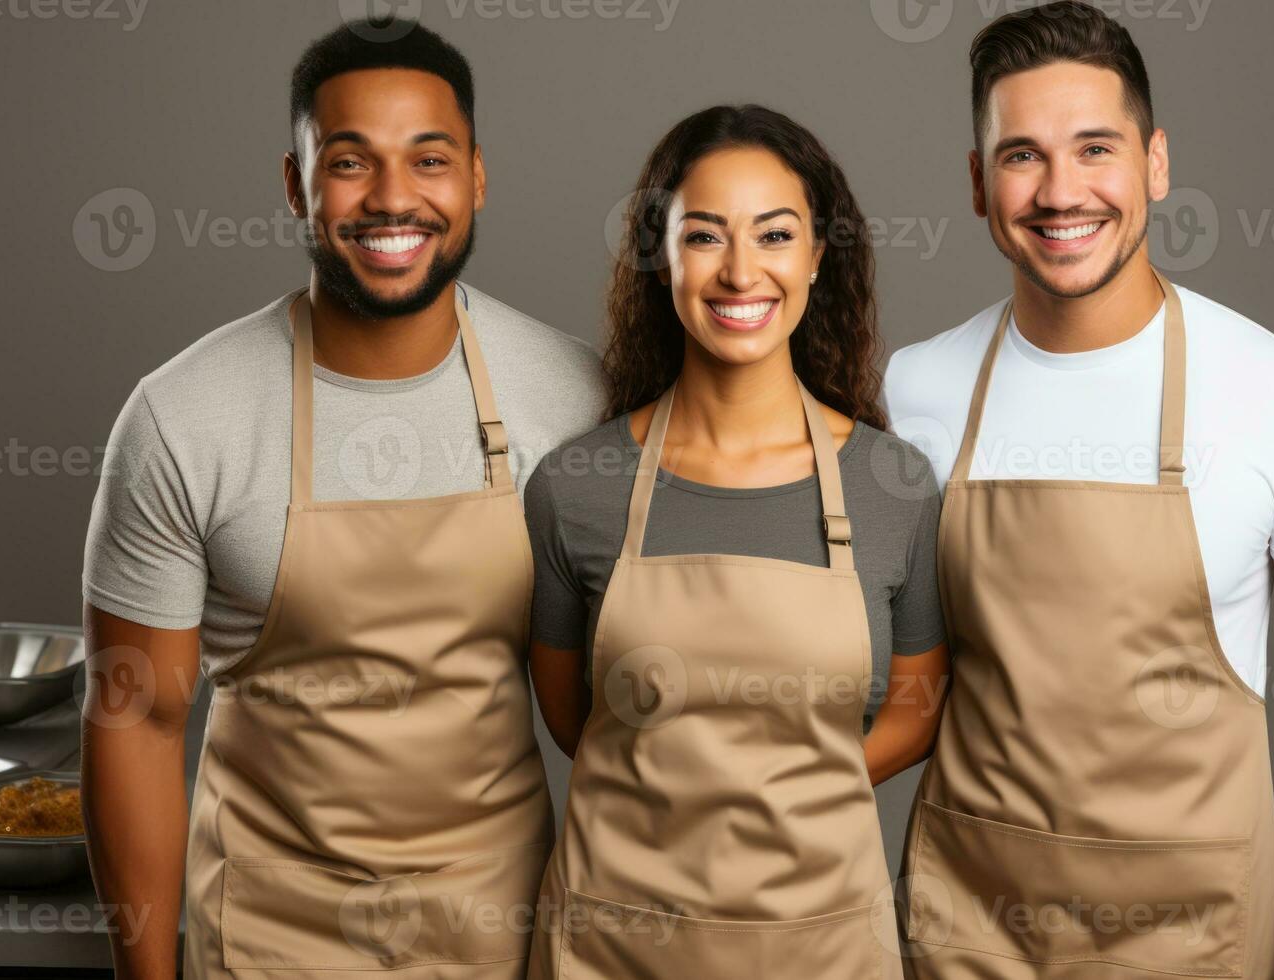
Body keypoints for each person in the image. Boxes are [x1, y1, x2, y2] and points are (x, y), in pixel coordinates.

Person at [884, 4, 1274, 978]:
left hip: (1191, 931)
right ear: (976, 182)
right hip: (967, 923)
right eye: (1021, 156)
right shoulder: (911, 391)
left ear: (1156, 165)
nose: (1060, 190)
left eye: (1095, 149)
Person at [80, 20, 605, 980]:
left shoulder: (576, 399)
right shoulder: (182, 417)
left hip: (501, 930)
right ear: (296, 184)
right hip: (267, 939)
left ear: (477, 177)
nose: (394, 197)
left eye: (429, 159)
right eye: (352, 162)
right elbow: (138, 726)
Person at [522, 104, 950, 979]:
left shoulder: (892, 486)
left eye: (776, 235)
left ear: (819, 255)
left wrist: (781, 797)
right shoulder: (577, 487)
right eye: (705, 236)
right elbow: (572, 716)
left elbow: (918, 703)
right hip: (616, 941)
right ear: (662, 257)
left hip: (824, 941)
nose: (741, 272)